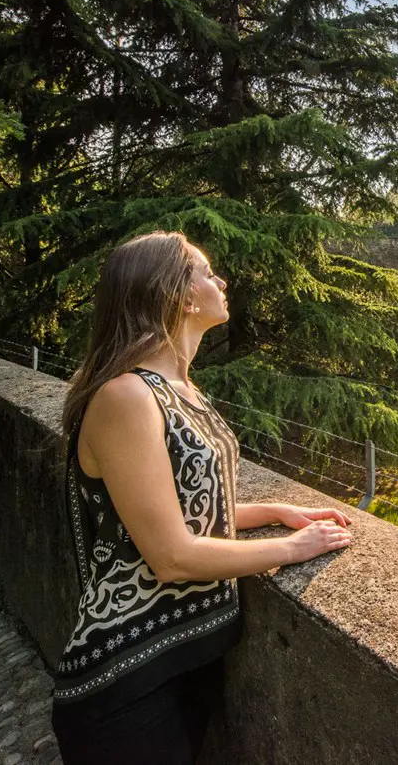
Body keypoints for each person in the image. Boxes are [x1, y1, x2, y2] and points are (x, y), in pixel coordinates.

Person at [50, 231, 353, 764]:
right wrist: (293, 547)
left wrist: (276, 511)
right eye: (207, 273)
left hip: (184, 655)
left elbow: (183, 509)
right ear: (180, 296)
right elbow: (171, 555)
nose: (221, 282)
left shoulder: (182, 391)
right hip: (126, 674)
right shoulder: (126, 396)